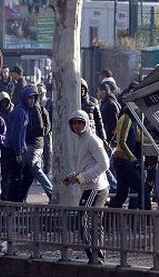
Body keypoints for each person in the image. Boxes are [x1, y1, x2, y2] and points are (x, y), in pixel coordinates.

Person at [63, 110, 110, 264]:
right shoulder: (82, 140)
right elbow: (85, 165)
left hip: (95, 187)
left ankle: (94, 255)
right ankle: (98, 255)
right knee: (94, 221)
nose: (77, 126)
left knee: (83, 218)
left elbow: (104, 164)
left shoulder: (92, 140)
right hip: (92, 186)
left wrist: (82, 178)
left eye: (80, 122)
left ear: (86, 123)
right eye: (74, 123)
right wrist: (72, 177)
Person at [19, 86, 53, 201]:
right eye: (30, 98)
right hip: (28, 144)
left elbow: (46, 127)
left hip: (35, 144)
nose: (32, 100)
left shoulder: (39, 110)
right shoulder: (24, 109)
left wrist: (37, 132)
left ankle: (52, 194)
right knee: (28, 172)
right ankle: (22, 198)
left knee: (34, 169)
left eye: (34, 98)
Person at [109, 107, 145, 210]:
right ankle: (148, 220)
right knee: (143, 190)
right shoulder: (126, 118)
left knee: (122, 194)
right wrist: (133, 159)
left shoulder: (132, 119)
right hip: (124, 161)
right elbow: (121, 142)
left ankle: (109, 219)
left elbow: (138, 137)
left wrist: (154, 141)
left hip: (124, 161)